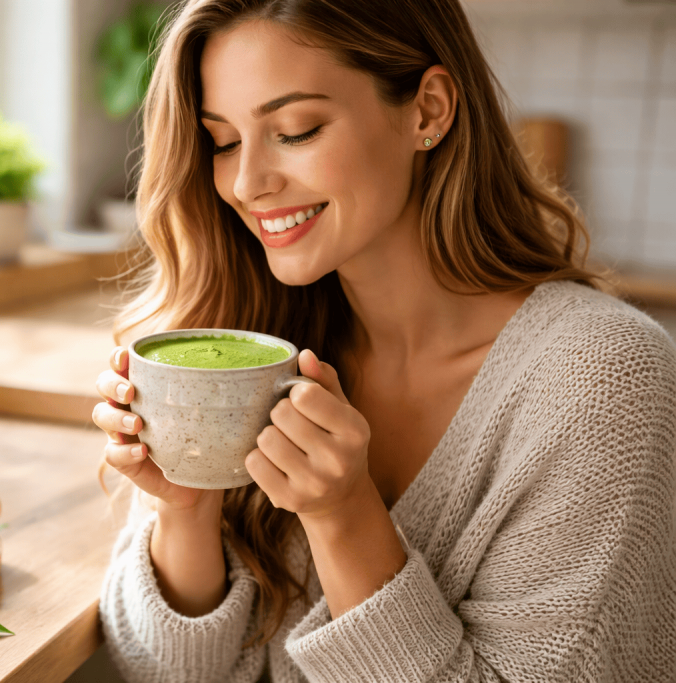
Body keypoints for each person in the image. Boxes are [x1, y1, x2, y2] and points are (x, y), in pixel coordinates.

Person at [90, 1, 676, 680]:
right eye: (222, 140)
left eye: (296, 130)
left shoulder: (603, 380)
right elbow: (161, 672)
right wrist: (185, 504)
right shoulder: (256, 336)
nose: (247, 183)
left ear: (427, 111)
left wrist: (344, 517)